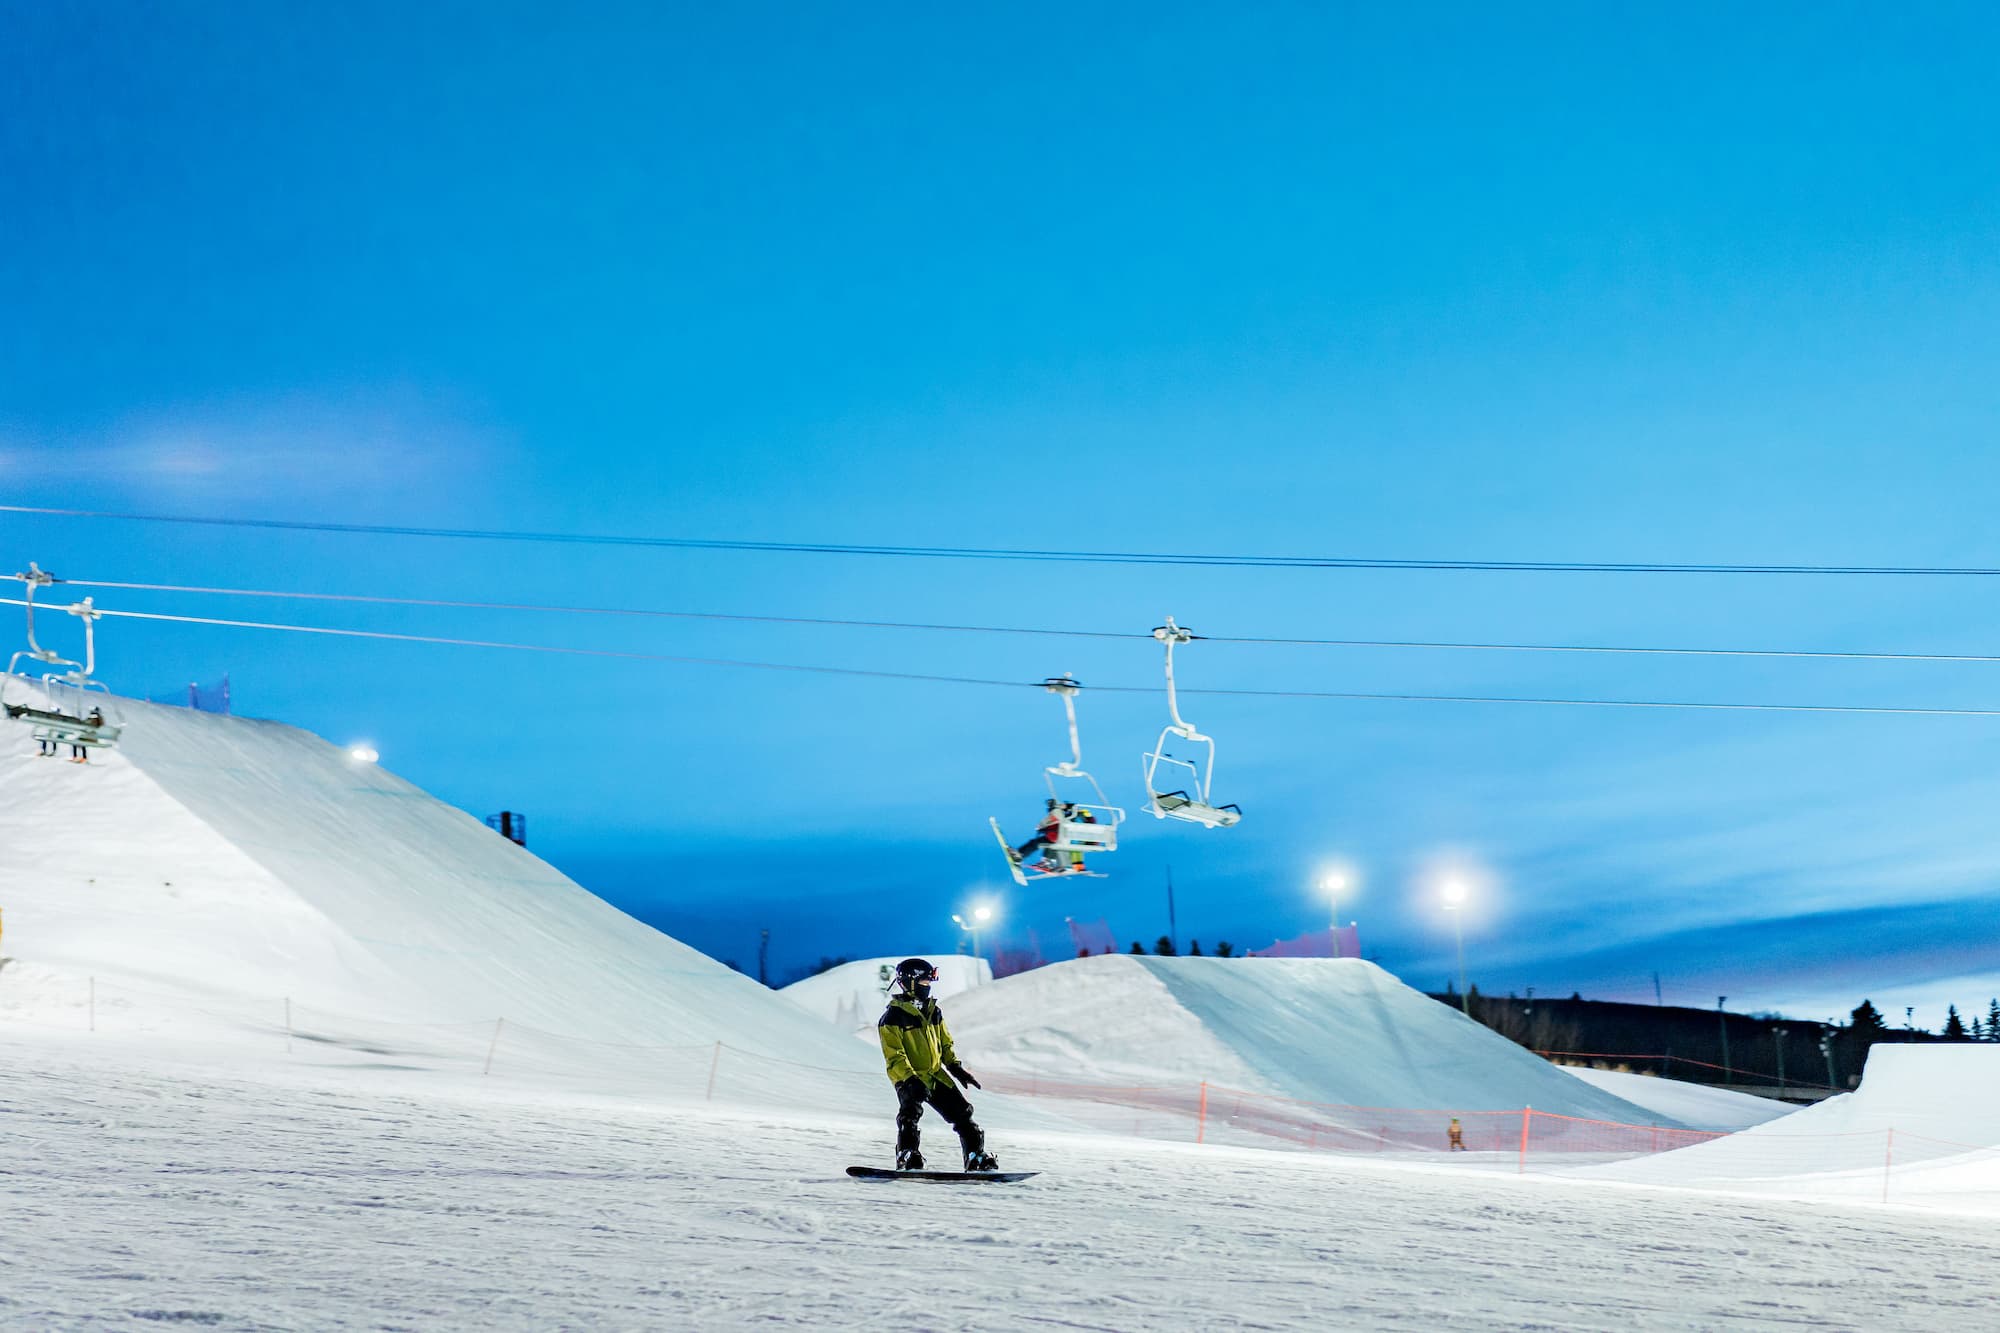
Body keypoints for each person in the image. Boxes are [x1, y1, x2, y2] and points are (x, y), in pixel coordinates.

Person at [877, 958, 999, 1172]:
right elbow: (894, 1056)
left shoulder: (934, 1011)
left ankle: (975, 1156)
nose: (928, 986)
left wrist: (955, 1067)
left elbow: (945, 1043)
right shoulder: (892, 1017)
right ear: (909, 983)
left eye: (929, 983)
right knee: (910, 1114)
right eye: (924, 982)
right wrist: (910, 1079)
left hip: (935, 1075)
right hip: (908, 1077)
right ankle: (907, 1155)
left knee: (963, 1113)